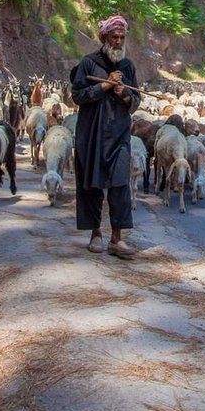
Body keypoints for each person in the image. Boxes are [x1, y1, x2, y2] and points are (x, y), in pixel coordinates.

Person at [70, 14, 139, 260]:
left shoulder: (128, 66)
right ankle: (96, 233)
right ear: (104, 38)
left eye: (122, 37)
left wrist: (125, 95)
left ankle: (117, 239)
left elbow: (135, 101)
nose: (119, 41)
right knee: (93, 184)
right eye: (114, 37)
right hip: (92, 134)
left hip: (119, 134)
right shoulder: (89, 64)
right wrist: (104, 86)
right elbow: (77, 95)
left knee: (120, 184)